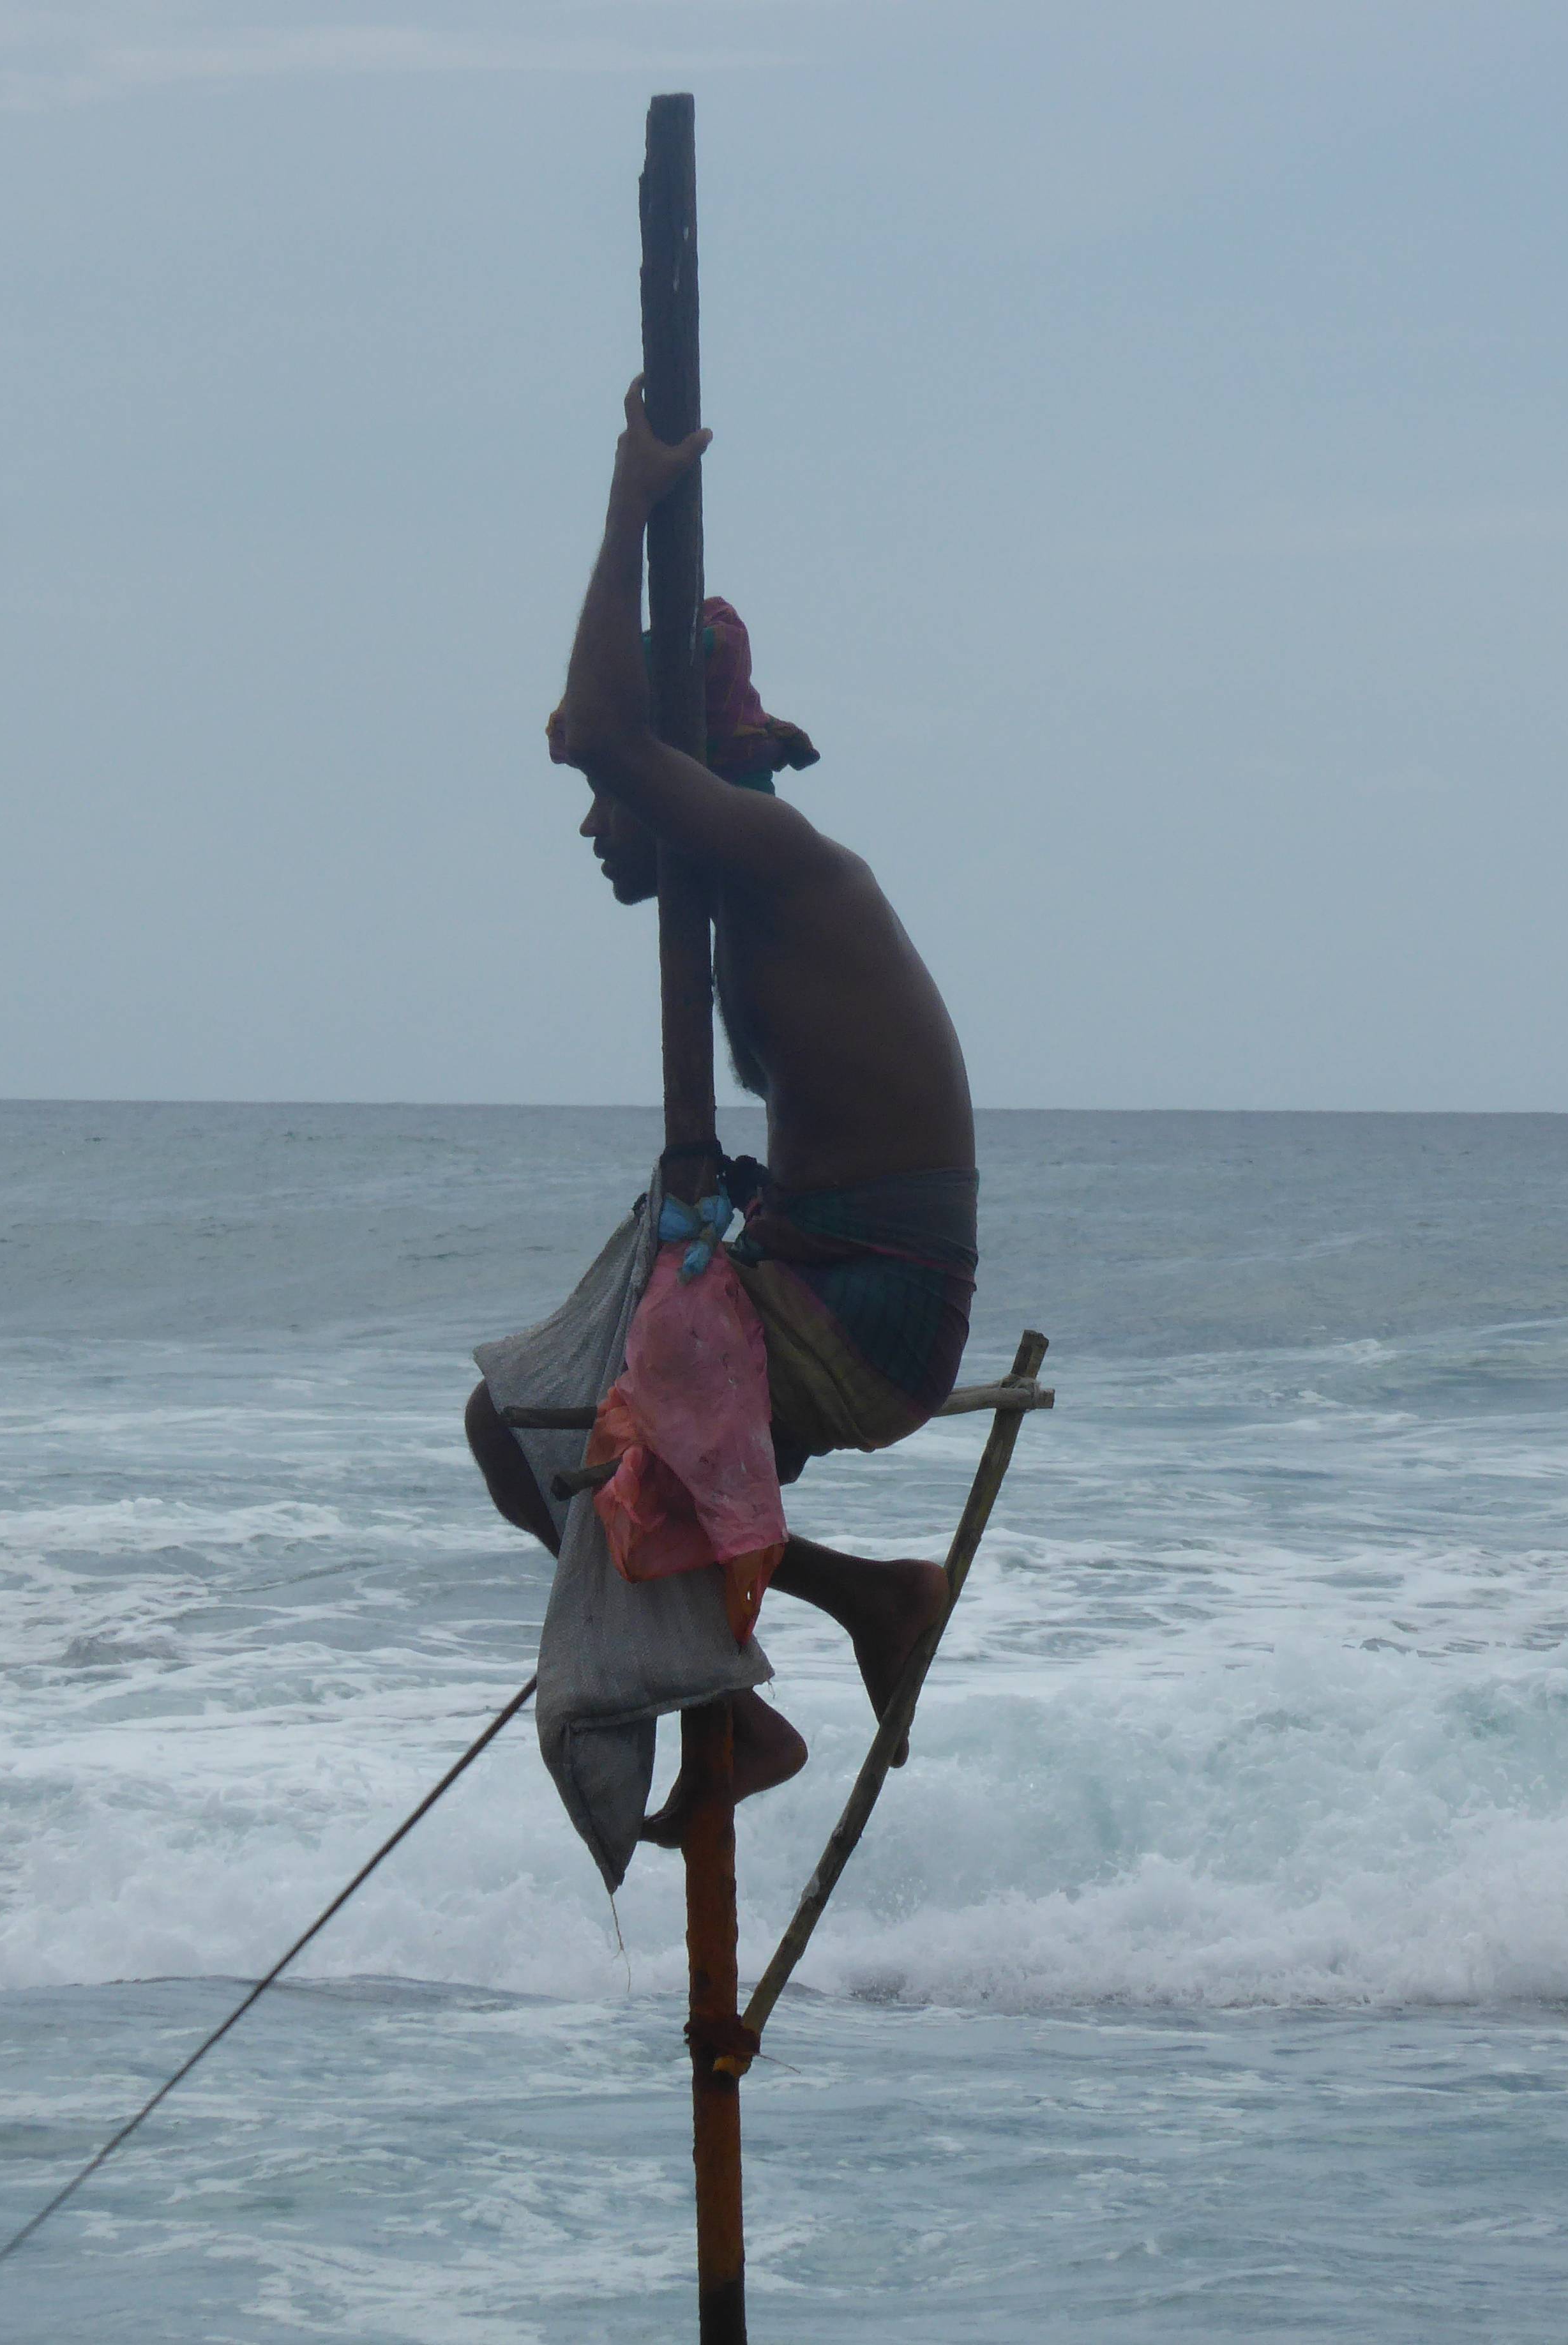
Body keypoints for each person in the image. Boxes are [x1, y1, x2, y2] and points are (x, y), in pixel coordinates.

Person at [465, 380, 980, 1844]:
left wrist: (631, 504)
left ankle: (820, 1647)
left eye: (611, 798)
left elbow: (609, 740)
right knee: (557, 1444)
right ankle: (813, 1644)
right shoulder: (745, 897)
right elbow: (613, 754)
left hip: (874, 1308)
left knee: (552, 1433)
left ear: (678, 780)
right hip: (835, 1274)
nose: (591, 828)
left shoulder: (776, 865)